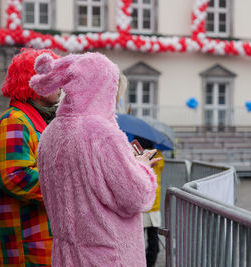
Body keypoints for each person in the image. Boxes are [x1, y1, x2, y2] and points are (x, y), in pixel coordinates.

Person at [29, 52, 159, 266]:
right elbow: (137, 196)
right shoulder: (103, 134)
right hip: (108, 255)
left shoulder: (50, 133)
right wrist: (142, 167)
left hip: (65, 255)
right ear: (104, 89)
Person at [0, 48, 61, 266]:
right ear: (35, 83)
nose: (61, 84)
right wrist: (70, 185)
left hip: (41, 240)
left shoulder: (34, 120)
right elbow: (15, 177)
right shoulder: (15, 121)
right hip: (28, 246)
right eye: (53, 78)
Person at [134, 136, 165, 267]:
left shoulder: (153, 156)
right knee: (151, 246)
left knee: (140, 246)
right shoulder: (158, 155)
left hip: (144, 207)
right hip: (149, 206)